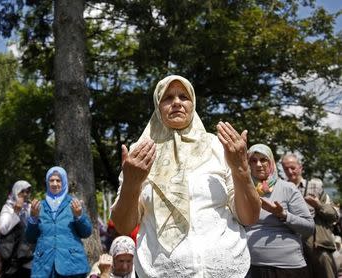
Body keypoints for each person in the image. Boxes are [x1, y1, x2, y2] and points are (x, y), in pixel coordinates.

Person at [110, 75, 261, 277]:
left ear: (193, 103)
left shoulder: (217, 147)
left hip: (228, 270)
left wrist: (241, 170)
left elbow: (249, 217)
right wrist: (131, 183)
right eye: (168, 97)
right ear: (157, 105)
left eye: (184, 96)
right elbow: (123, 225)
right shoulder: (140, 154)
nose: (177, 103)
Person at [245, 144, 314, 278]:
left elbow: (309, 228)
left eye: (263, 159)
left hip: (287, 268)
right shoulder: (243, 190)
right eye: (253, 160)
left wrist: (282, 214)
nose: (258, 164)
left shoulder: (287, 188)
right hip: (251, 268)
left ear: (271, 162)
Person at [26, 166, 92, 277]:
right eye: (51, 180)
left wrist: (79, 216)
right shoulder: (39, 206)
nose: (55, 184)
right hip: (45, 267)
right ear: (47, 183)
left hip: (72, 266)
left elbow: (86, 232)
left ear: (64, 182)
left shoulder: (74, 204)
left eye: (58, 180)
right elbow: (30, 238)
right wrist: (33, 218)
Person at [282, 154, 339, 278]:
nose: (290, 172)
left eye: (293, 168)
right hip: (294, 249)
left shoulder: (316, 187)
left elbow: (335, 215)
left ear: (300, 167)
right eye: (286, 169)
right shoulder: (282, 189)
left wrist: (318, 205)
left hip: (317, 246)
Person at [0, 180, 34, 277]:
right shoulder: (8, 207)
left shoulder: (30, 208)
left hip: (28, 257)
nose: (25, 194)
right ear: (15, 191)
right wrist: (16, 212)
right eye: (22, 191)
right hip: (12, 258)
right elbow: (3, 229)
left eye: (27, 191)